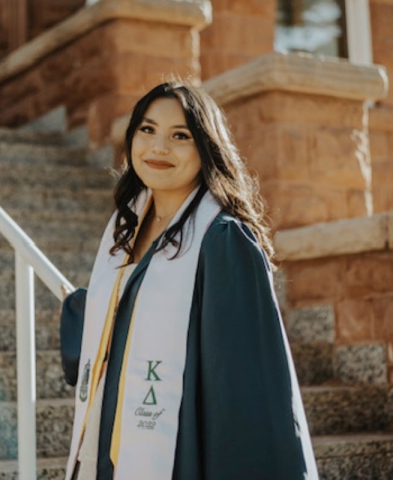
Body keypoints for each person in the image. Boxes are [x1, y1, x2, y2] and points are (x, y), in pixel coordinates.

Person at [61, 81, 319, 480]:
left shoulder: (223, 239)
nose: (158, 148)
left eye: (180, 136)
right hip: (115, 440)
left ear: (205, 147)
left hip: (184, 448)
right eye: (147, 130)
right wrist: (83, 308)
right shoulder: (128, 227)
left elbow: (248, 383)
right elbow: (124, 326)